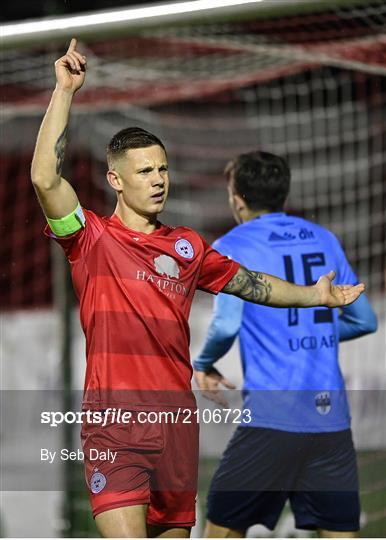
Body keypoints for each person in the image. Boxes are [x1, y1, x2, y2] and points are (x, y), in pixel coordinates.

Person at [31, 39, 365, 539]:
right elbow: (44, 177)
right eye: (144, 171)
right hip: (115, 426)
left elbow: (251, 285)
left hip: (177, 428)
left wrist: (314, 296)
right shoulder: (90, 238)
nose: (158, 179)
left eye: (163, 168)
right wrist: (64, 91)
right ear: (115, 180)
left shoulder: (187, 247)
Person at [193, 150, 378, 538]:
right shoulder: (324, 239)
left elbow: (226, 326)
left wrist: (204, 362)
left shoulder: (232, 244)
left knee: (221, 530)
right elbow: (364, 320)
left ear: (236, 198)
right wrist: (315, 333)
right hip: (331, 422)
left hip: (272, 419)